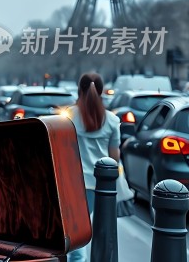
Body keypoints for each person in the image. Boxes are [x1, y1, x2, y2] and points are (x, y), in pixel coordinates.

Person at [67, 72, 120, 262]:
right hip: (102, 186)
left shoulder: (68, 117)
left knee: (77, 233)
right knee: (102, 232)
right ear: (102, 91)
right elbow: (114, 157)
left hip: (74, 183)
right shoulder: (112, 121)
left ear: (79, 90)